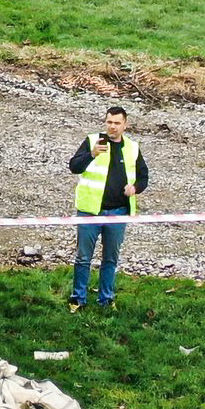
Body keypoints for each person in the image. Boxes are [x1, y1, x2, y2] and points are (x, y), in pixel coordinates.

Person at [67, 106, 149, 312]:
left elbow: (143, 176)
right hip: (90, 211)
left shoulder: (132, 148)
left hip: (118, 212)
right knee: (83, 258)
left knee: (110, 259)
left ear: (125, 125)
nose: (112, 127)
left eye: (117, 123)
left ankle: (106, 299)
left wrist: (135, 188)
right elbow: (74, 166)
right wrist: (92, 154)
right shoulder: (92, 141)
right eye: (109, 122)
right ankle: (78, 299)